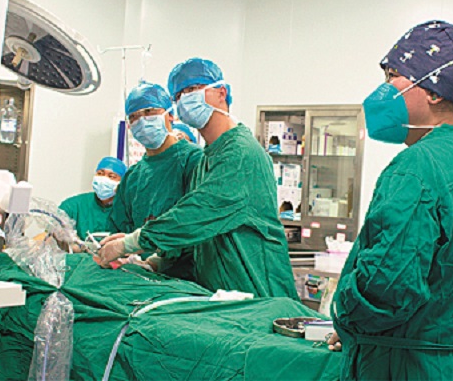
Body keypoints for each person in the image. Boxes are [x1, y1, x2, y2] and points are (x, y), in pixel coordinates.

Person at [329, 20, 453, 381]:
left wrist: (346, 319)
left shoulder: (418, 167)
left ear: (434, 92)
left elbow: (385, 287)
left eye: (393, 76)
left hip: (411, 367)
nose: (383, 90)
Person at [98, 58, 298, 300]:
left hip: (257, 293)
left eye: (192, 89)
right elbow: (200, 236)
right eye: (178, 95)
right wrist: (157, 261)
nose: (184, 99)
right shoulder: (207, 159)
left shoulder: (240, 153)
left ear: (221, 93)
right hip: (222, 295)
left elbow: (197, 214)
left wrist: (130, 243)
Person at [106, 81, 203, 278]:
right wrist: (124, 255)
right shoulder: (133, 177)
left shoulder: (194, 161)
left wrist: (158, 261)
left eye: (149, 112)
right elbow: (118, 230)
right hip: (141, 279)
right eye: (134, 117)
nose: (141, 121)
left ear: (170, 115)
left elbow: (198, 222)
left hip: (188, 278)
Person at [60, 156, 127, 241]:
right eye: (100, 173)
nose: (103, 180)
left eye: (111, 176)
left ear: (122, 183)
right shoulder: (72, 206)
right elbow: (52, 233)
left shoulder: (127, 211)